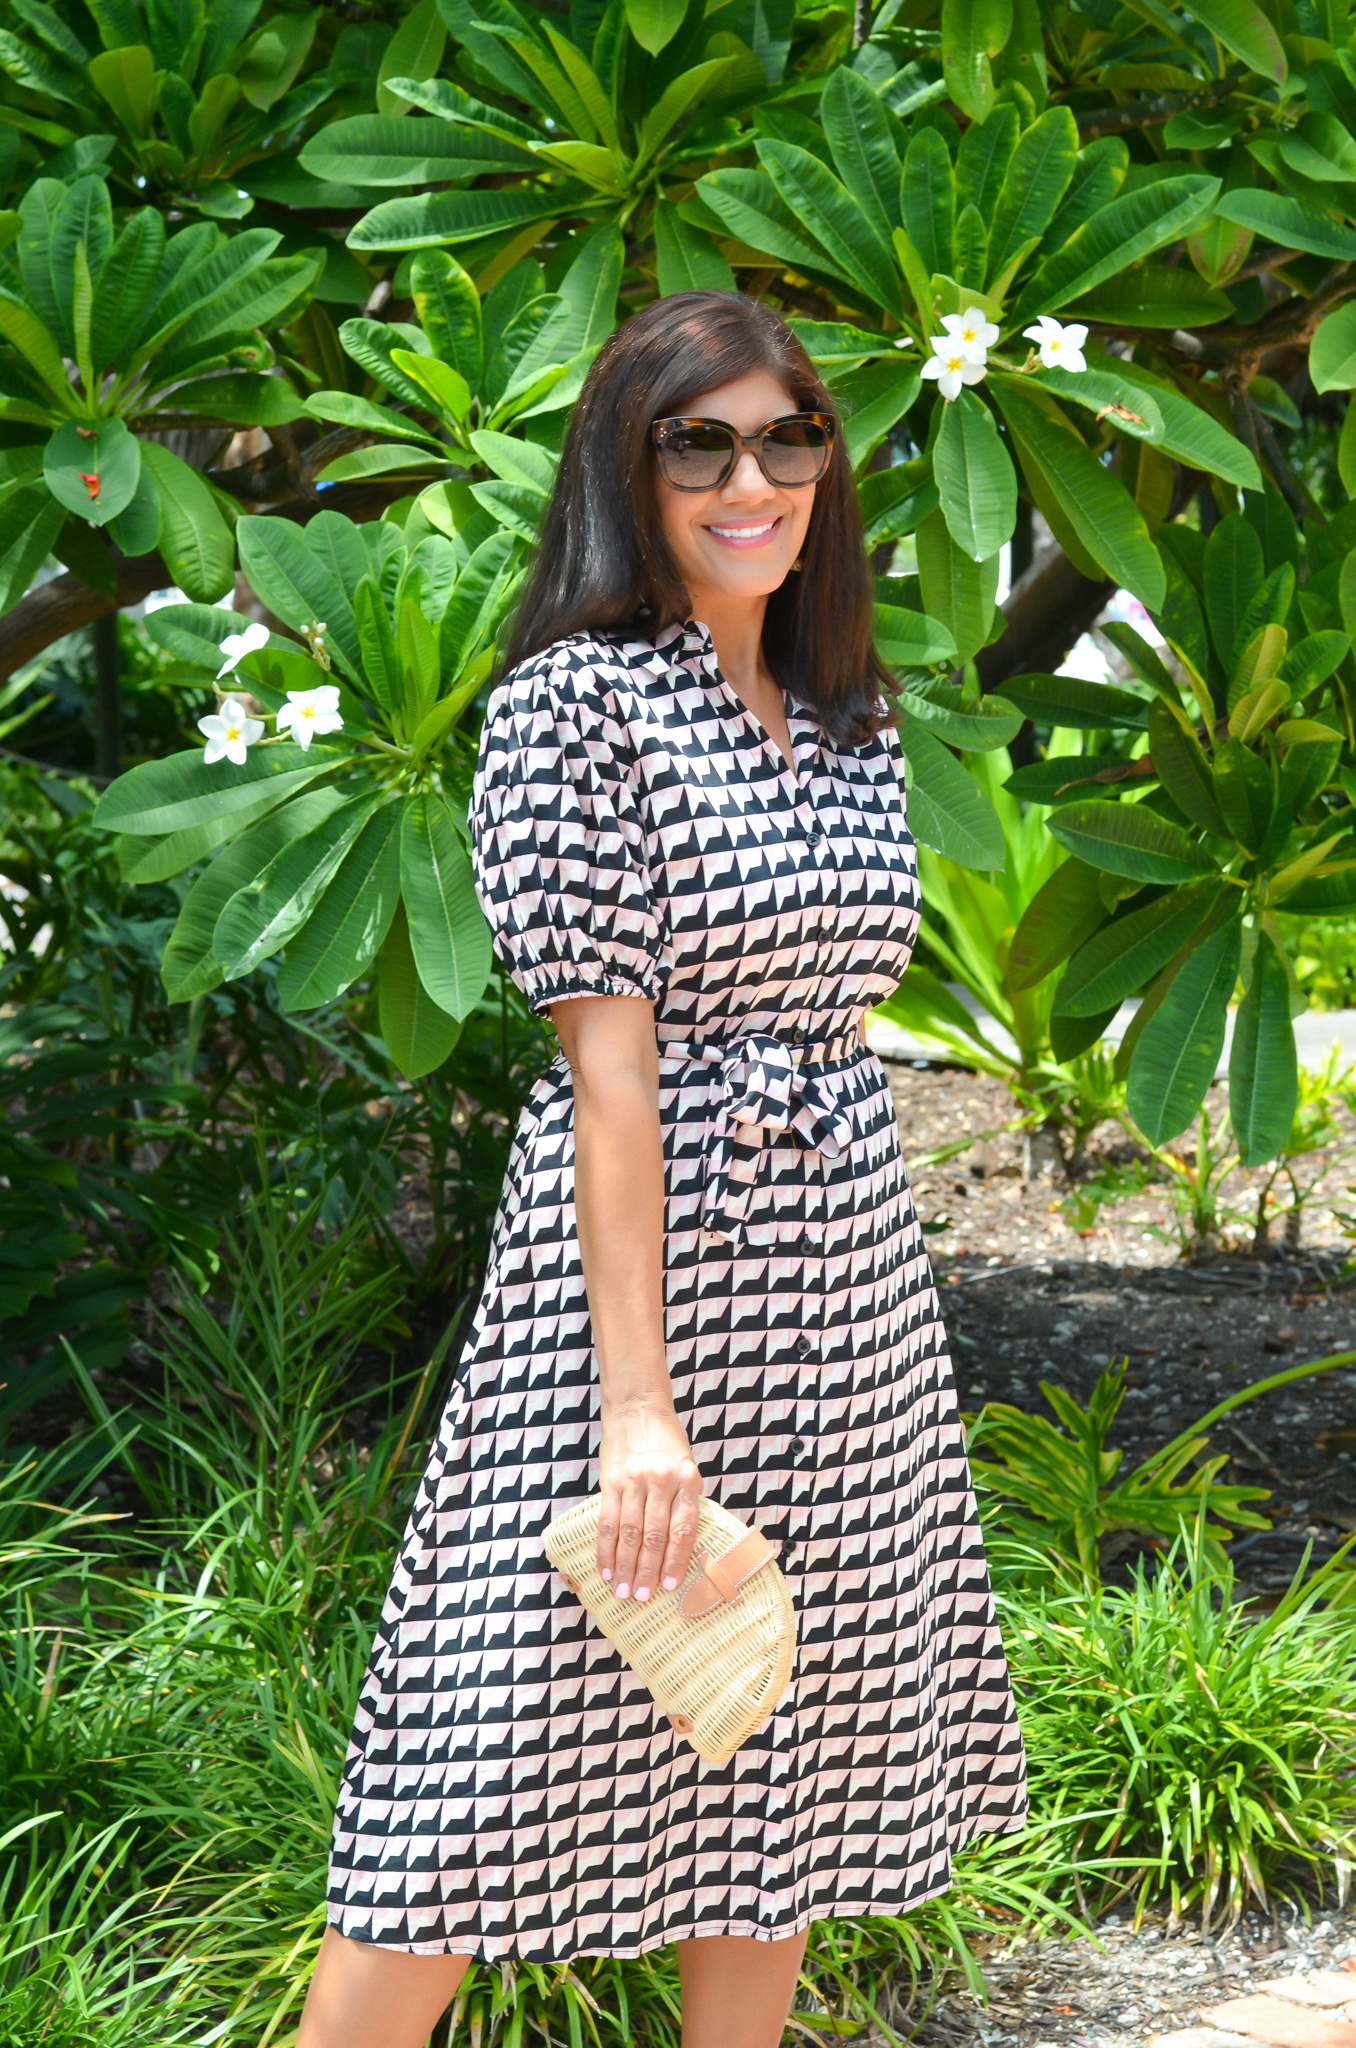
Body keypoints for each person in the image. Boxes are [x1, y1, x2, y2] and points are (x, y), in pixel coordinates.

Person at [299, 289, 1027, 2048]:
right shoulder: (571, 703)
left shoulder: (848, 708)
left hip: (844, 1297)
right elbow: (608, 1085)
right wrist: (639, 1408)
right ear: (633, 472)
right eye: (699, 442)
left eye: (788, 436)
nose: (749, 477)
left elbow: (842, 1006)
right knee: (475, 1759)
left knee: (777, 1748)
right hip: (635, 1284)